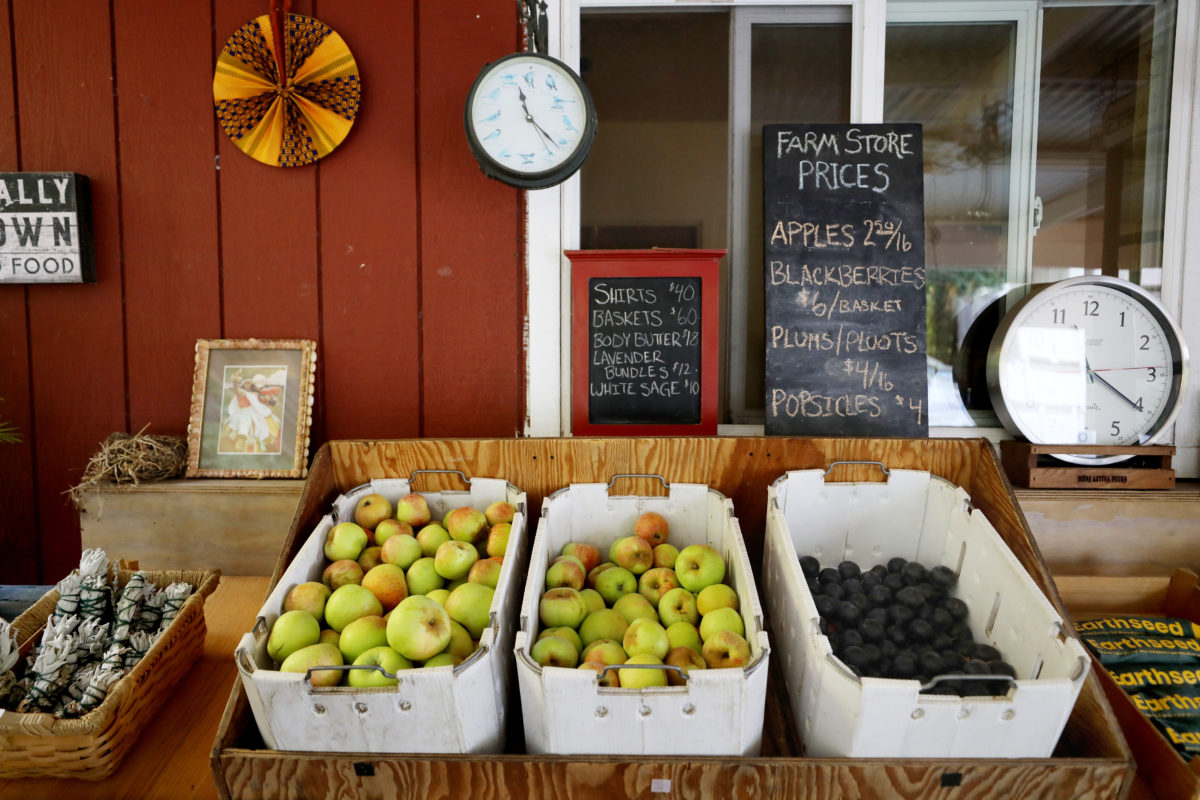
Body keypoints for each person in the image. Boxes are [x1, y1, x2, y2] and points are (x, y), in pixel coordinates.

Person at [222, 371, 282, 453]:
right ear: (243, 385)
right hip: (244, 413)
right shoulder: (241, 392)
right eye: (246, 384)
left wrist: (270, 399)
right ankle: (239, 444)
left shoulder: (255, 393)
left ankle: (262, 445)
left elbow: (262, 401)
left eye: (250, 384)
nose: (248, 385)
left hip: (256, 414)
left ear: (252, 386)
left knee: (263, 428)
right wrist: (235, 380)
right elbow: (236, 389)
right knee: (243, 429)